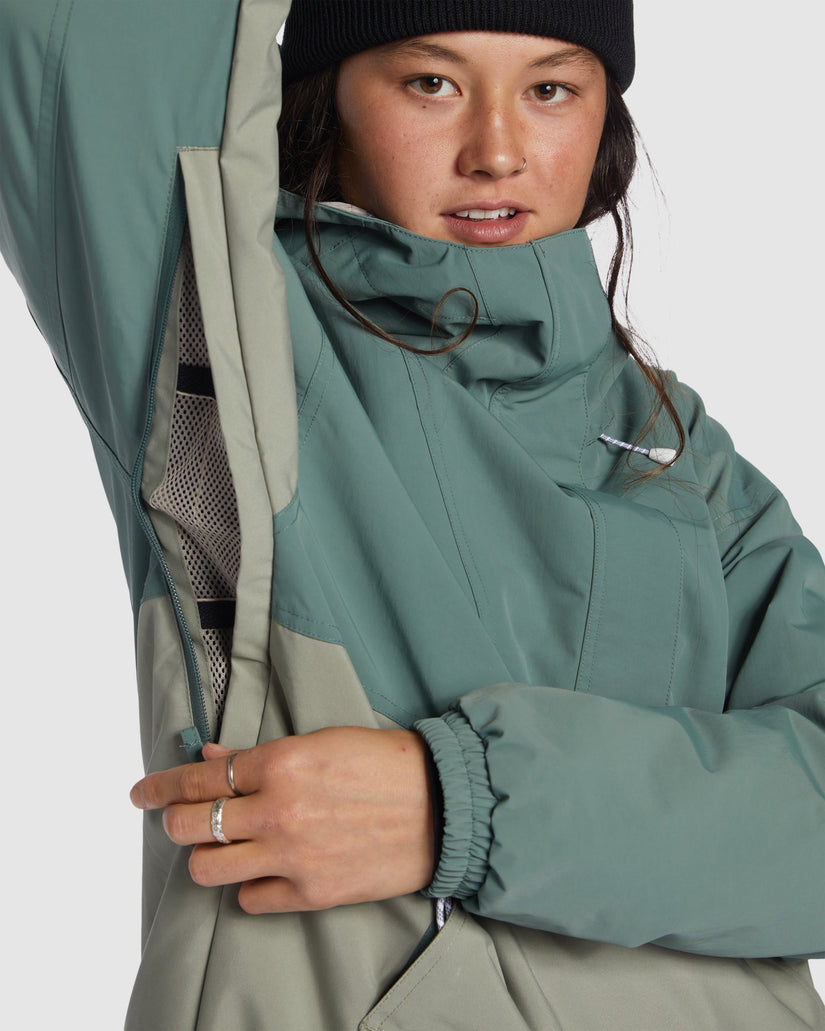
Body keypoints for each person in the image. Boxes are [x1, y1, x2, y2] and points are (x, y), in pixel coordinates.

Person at [1, 1, 824, 1028]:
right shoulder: (230, 336)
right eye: (430, 83)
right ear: (325, 100)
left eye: (550, 88)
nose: (497, 151)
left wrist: (460, 804)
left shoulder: (670, 445)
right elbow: (85, 41)